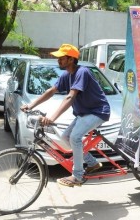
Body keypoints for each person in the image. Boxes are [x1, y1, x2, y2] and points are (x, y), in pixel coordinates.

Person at [21, 44, 110, 187]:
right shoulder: (66, 75)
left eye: (61, 58)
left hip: (98, 111)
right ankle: (92, 163)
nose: (58, 60)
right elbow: (51, 91)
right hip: (84, 113)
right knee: (65, 137)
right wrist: (31, 105)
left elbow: (70, 97)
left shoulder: (83, 72)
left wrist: (52, 118)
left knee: (75, 137)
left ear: (71, 59)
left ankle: (78, 176)